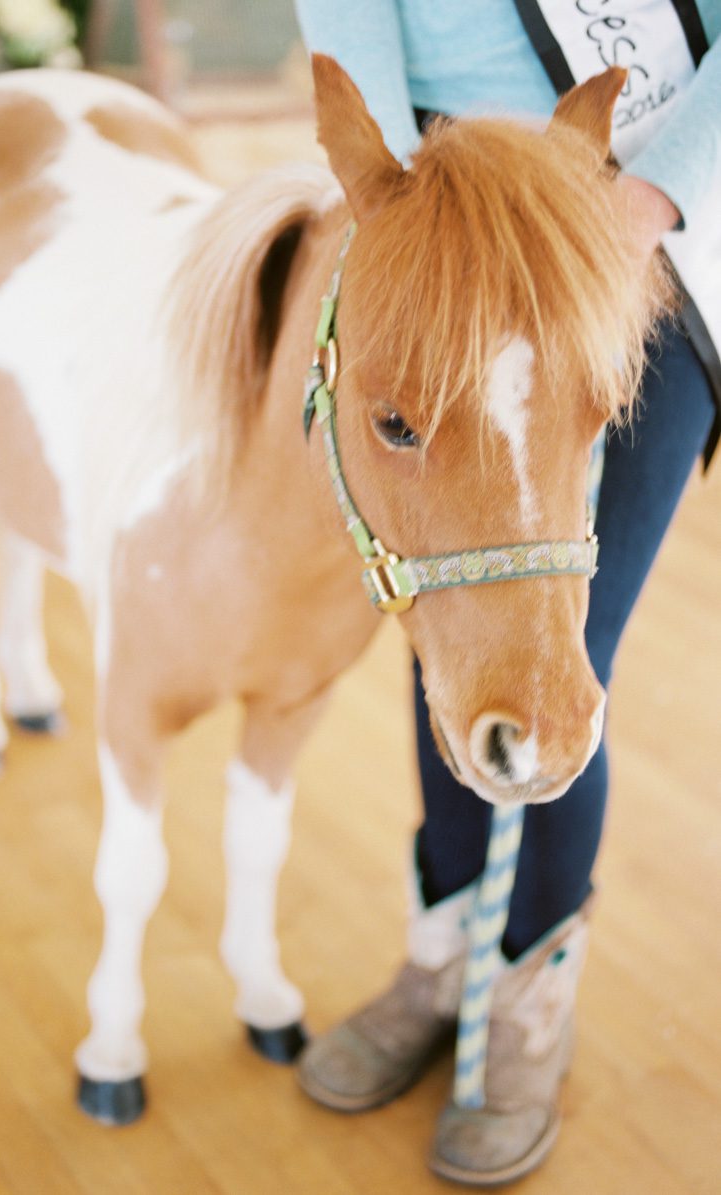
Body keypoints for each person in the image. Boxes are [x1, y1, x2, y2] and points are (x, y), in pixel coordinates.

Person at [293, 1, 721, 1185]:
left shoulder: (640, 217)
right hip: (443, 209)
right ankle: (442, 957)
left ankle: (530, 994)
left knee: (563, 641)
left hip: (643, 231)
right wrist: (383, 184)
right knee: (451, 622)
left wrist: (635, 207)